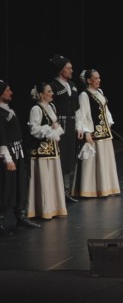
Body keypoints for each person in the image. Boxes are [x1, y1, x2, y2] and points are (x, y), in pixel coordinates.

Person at [0, 79, 42, 229]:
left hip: (18, 152)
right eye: (7, 90)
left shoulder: (7, 110)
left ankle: (21, 215)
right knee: (6, 187)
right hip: (8, 155)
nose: (11, 93)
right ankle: (2, 218)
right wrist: (7, 159)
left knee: (20, 185)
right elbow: (1, 137)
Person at [74, 69, 121, 197]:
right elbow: (82, 115)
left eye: (99, 77)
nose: (99, 80)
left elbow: (105, 110)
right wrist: (86, 132)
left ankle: (106, 187)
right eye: (96, 78)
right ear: (88, 80)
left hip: (105, 132)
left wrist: (109, 123)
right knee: (94, 162)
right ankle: (90, 189)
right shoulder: (84, 95)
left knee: (105, 160)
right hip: (94, 133)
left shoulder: (100, 92)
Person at [25, 82, 68, 221]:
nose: (52, 93)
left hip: (53, 149)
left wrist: (56, 131)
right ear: (41, 94)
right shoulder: (36, 109)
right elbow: (34, 130)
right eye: (49, 91)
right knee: (44, 180)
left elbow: (55, 124)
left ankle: (54, 207)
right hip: (41, 151)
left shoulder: (51, 106)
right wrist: (50, 129)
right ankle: (43, 209)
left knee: (53, 179)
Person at [49, 54, 81, 203]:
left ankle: (66, 191)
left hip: (71, 124)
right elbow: (50, 108)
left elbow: (77, 108)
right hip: (60, 125)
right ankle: (56, 192)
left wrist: (79, 127)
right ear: (61, 70)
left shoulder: (73, 85)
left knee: (69, 157)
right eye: (68, 68)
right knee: (60, 157)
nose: (71, 70)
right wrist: (54, 129)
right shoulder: (53, 86)